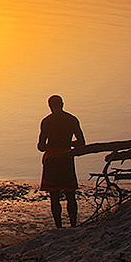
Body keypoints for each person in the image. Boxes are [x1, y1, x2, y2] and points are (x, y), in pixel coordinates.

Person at [37, 94, 86, 228]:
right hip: (66, 158)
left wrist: (52, 146)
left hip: (52, 160)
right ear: (62, 104)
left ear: (50, 106)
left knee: (54, 196)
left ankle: (58, 226)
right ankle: (73, 224)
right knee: (70, 194)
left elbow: (41, 146)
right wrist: (68, 144)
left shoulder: (46, 121)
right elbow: (81, 142)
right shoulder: (71, 120)